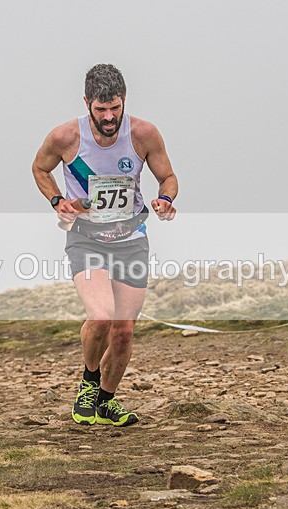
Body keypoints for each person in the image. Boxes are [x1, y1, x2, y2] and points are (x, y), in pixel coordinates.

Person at [31, 64, 178, 427]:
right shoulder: (65, 137)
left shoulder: (144, 133)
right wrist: (57, 201)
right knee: (100, 317)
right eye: (101, 110)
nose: (110, 117)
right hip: (87, 239)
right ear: (87, 103)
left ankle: (106, 402)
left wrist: (164, 199)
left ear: (124, 100)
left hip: (131, 241)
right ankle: (89, 380)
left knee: (124, 331)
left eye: (116, 108)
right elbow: (39, 168)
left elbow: (168, 177)